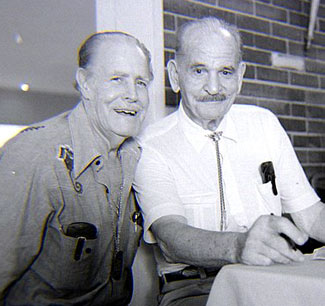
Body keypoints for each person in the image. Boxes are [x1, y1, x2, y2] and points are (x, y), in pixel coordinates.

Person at [133, 17, 325, 306]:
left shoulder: (264, 124)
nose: (214, 87)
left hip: (275, 281)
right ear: (175, 76)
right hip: (195, 290)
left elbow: (311, 216)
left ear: (241, 76)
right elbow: (171, 236)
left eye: (225, 72)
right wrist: (239, 246)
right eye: (199, 70)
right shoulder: (151, 144)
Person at [0, 31, 153, 305]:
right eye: (117, 79)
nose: (132, 95)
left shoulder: (136, 158)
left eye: (141, 82)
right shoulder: (34, 154)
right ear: (85, 84)